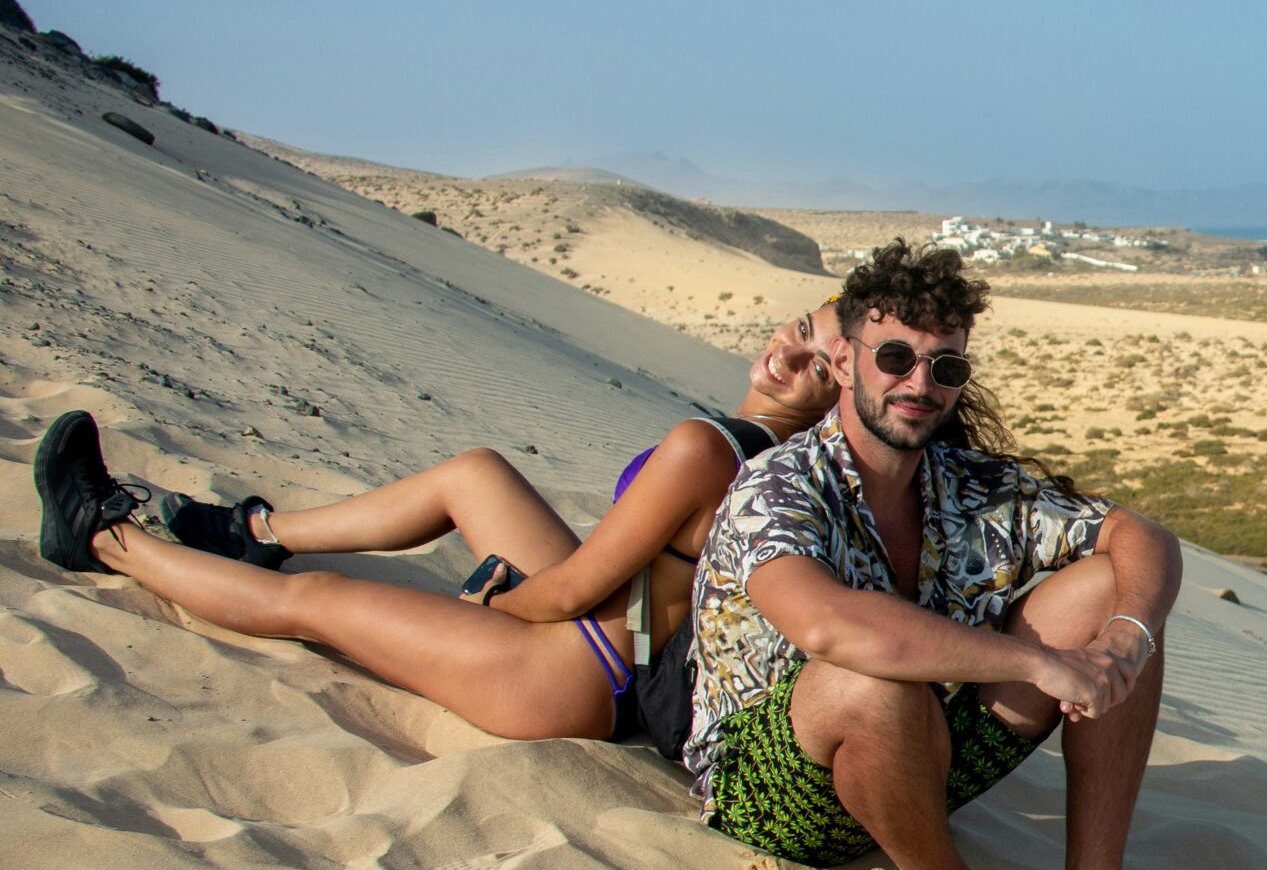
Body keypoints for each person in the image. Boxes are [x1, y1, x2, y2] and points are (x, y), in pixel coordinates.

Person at [684, 239, 1207, 870]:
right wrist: (1035, 663)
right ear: (844, 362)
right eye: (895, 356)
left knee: (1116, 590)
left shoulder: (966, 483)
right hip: (775, 788)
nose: (919, 382)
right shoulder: (778, 487)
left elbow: (1138, 533)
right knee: (867, 681)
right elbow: (827, 625)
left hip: (919, 761)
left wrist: (1127, 635)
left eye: (946, 366)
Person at [29, 310, 838, 749]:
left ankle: (100, 537)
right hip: (621, 643)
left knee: (313, 603)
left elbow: (581, 587)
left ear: (839, 401)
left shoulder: (710, 450)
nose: (788, 354)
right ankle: (256, 531)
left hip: (571, 670)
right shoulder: (778, 460)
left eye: (820, 366)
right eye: (800, 329)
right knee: (475, 473)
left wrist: (502, 606)